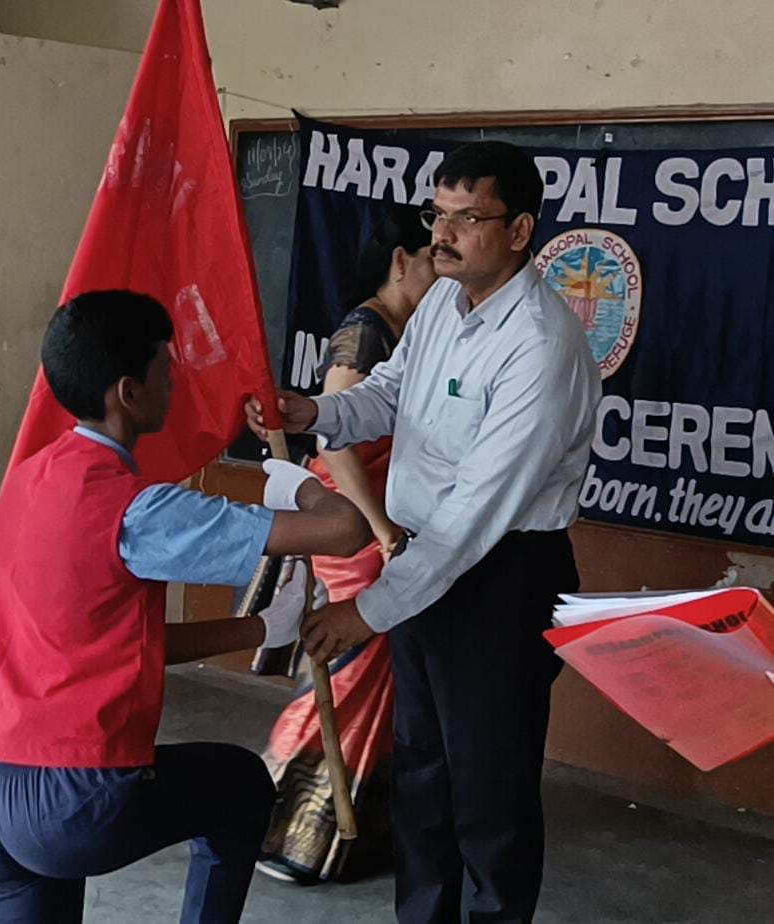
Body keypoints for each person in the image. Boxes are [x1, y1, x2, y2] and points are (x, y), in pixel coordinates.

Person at [247, 141, 601, 922]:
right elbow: (385, 395)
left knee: (488, 789)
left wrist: (366, 610)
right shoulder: (443, 301)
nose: (441, 235)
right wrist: (313, 412)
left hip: (500, 580)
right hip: (422, 560)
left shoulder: (540, 346)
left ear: (518, 231)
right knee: (422, 773)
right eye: (435, 215)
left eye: (465, 218)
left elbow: (474, 515)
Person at [0, 290, 372, 924]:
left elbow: (115, 642)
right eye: (164, 369)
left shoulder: (27, 478)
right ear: (128, 392)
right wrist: (301, 485)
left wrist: (258, 627)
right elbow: (345, 530)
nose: (174, 383)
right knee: (240, 785)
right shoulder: (136, 509)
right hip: (70, 798)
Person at [257, 205, 437, 885]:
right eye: (432, 257)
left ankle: (347, 828)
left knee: (377, 674)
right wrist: (380, 526)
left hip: (383, 519)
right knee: (351, 667)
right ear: (401, 261)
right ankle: (282, 818)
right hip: (354, 527)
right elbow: (336, 440)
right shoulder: (365, 331)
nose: (443, 270)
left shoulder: (415, 330)